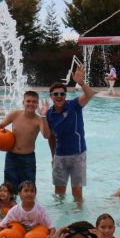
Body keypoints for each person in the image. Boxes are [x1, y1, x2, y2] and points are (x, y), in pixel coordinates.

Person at [40, 63, 95, 202]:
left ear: (65, 95)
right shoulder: (49, 114)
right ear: (51, 96)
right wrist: (53, 157)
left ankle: (78, 217)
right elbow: (48, 136)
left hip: (78, 154)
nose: (59, 96)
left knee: (77, 192)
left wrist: (81, 83)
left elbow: (90, 94)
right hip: (60, 156)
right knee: (59, 193)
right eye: (55, 94)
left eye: (62, 94)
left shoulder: (74, 105)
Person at [0, 90, 42, 188]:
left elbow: (46, 135)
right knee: (9, 187)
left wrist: (44, 116)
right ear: (23, 102)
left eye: (34, 102)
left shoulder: (39, 120)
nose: (31, 104)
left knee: (28, 188)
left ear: (37, 104)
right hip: (11, 157)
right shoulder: (15, 115)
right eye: (28, 101)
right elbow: (1, 125)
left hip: (28, 158)